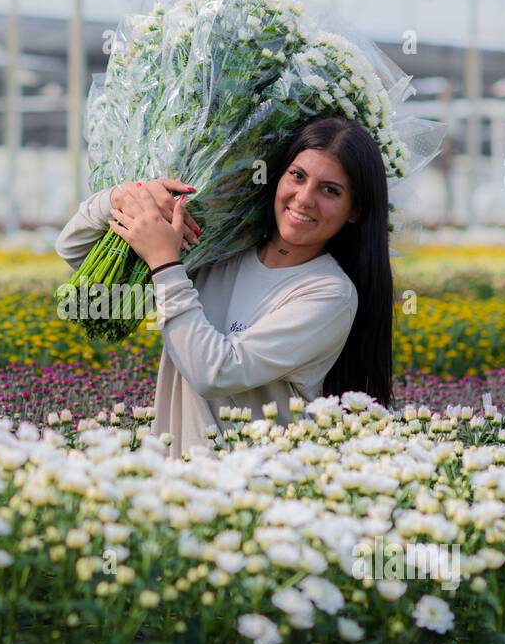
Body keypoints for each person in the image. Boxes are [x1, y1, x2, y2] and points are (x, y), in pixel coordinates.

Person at [55, 116, 393, 457]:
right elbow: (74, 251)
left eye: (330, 190)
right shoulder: (220, 249)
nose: (304, 199)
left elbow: (215, 372)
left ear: (355, 211)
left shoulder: (329, 293)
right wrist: (128, 197)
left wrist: (164, 260)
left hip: (250, 494)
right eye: (298, 176)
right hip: (170, 484)